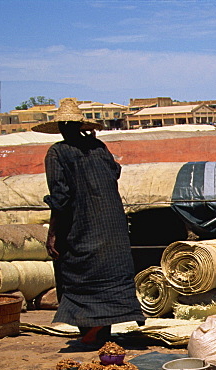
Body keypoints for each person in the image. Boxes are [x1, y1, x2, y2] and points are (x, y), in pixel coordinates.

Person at [33, 98, 144, 346]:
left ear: (62, 127)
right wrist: (92, 139)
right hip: (111, 224)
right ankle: (100, 333)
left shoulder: (57, 152)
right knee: (110, 275)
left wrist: (52, 234)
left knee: (76, 273)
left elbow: (60, 198)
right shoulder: (98, 147)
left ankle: (92, 333)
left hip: (82, 225)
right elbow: (114, 172)